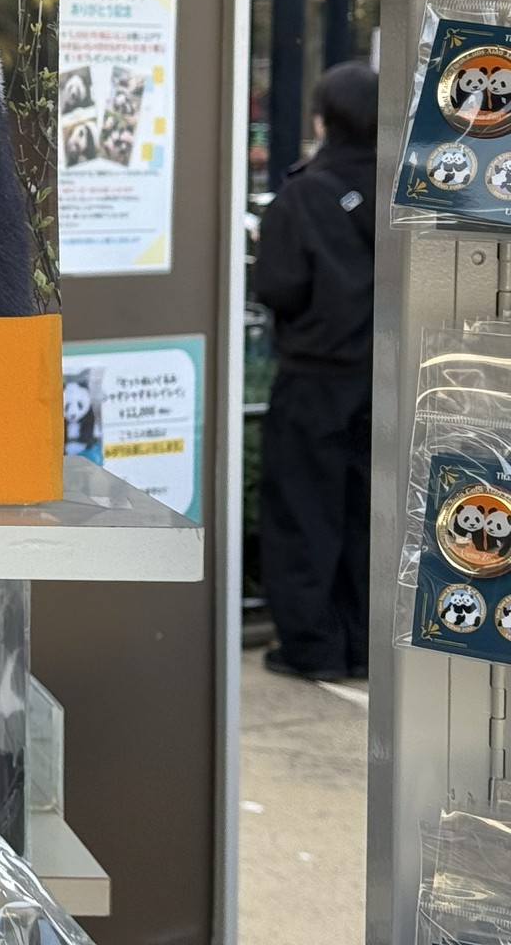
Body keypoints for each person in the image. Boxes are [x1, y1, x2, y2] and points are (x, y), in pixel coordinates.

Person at [253, 58, 379, 681]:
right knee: (367, 514)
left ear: (324, 118)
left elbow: (277, 285)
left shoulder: (306, 194)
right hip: (381, 383)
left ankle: (312, 645)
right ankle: (361, 644)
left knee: (303, 511)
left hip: (314, 381)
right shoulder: (400, 191)